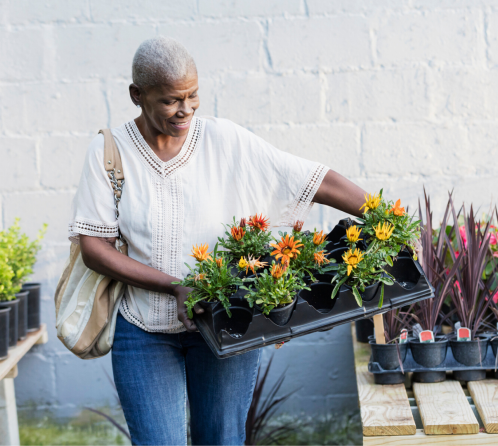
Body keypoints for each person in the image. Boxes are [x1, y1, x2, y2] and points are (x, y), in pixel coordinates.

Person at [67, 36, 368, 445]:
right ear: (138, 95)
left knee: (222, 440)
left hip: (228, 323)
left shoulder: (223, 140)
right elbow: (94, 248)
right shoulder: (109, 151)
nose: (186, 109)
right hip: (145, 331)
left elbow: (312, 178)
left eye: (193, 96)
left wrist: (385, 214)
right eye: (171, 100)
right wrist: (174, 286)